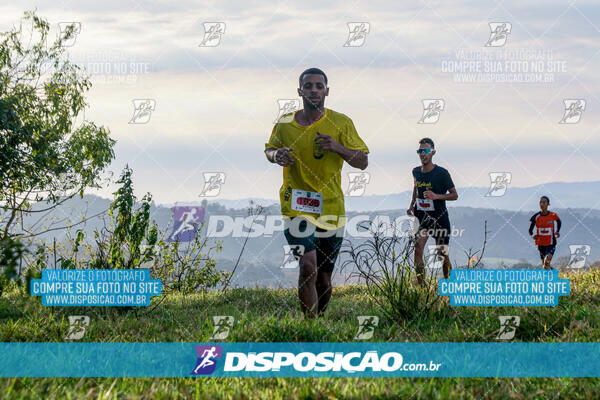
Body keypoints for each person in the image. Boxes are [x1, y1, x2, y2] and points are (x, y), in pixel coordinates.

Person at [264, 67, 369, 318]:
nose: (313, 90)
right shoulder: (285, 123)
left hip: (331, 208)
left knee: (323, 277)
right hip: (296, 207)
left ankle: (319, 319)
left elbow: (362, 161)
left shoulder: (341, 122)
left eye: (318, 86)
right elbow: (269, 150)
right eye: (308, 86)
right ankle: (309, 327)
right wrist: (276, 155)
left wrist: (336, 147)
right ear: (299, 91)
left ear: (327, 91)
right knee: (307, 267)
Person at [407, 138, 458, 285]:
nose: (423, 154)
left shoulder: (442, 173)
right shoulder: (416, 171)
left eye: (426, 151)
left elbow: (454, 195)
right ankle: (422, 288)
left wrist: (436, 196)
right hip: (422, 218)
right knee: (417, 250)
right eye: (420, 151)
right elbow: (416, 188)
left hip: (439, 219)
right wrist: (411, 205)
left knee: (442, 254)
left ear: (433, 152)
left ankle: (450, 285)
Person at [528, 196, 561, 269]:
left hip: (551, 243)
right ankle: (554, 275)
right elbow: (530, 230)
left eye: (544, 202)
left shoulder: (553, 215)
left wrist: (557, 231)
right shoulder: (536, 216)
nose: (542, 204)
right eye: (540, 202)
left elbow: (559, 221)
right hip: (541, 244)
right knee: (545, 267)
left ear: (548, 204)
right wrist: (532, 235)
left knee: (546, 262)